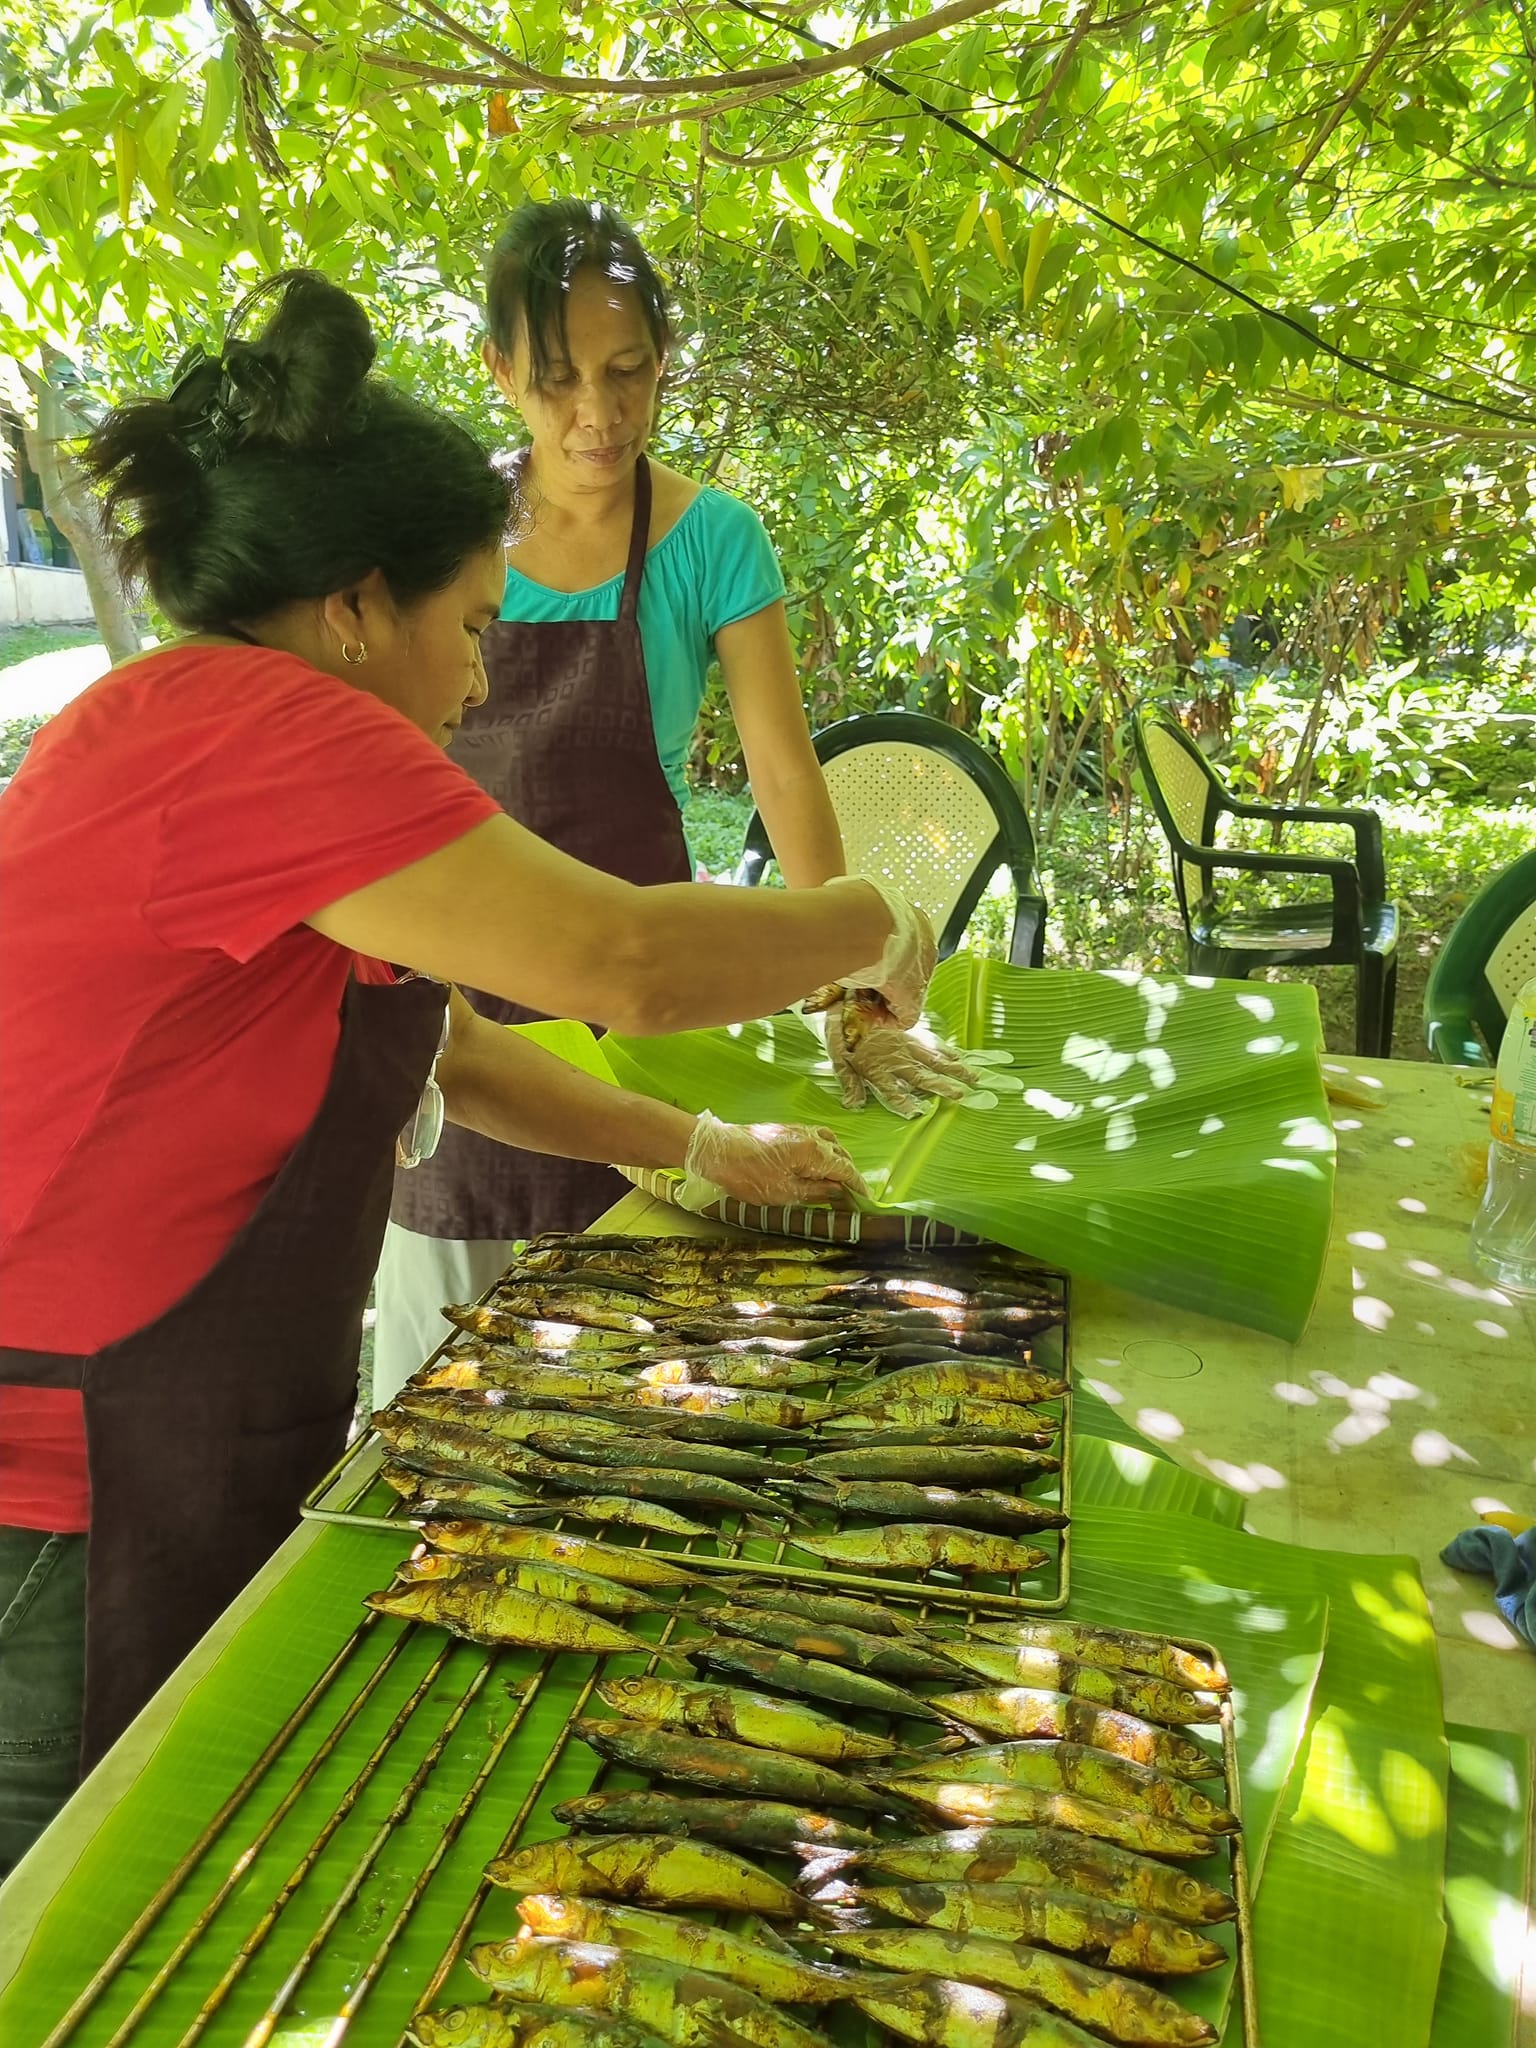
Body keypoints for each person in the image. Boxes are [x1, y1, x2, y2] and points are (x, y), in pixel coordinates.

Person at [0, 269, 936, 1875]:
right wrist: (874, 922)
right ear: (359, 607)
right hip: (66, 1481)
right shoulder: (260, 728)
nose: (482, 679)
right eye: (475, 628)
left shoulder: (204, 717)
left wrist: (697, 1145)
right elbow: (621, 959)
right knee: (67, 1904)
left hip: (177, 1433)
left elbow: (439, 1037)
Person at [375, 199, 975, 1398]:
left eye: (628, 370)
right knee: (441, 1402)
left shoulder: (714, 541)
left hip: (637, 1021)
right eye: (557, 379)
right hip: (452, 1017)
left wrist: (853, 985)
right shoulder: (441, 538)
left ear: (664, 361)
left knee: (634, 1389)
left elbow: (782, 770)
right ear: (499, 371)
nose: (596, 414)